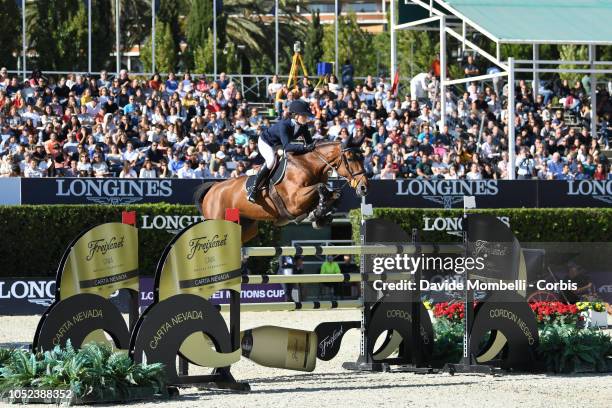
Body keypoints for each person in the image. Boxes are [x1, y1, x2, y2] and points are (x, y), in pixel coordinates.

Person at [246, 99, 315, 202]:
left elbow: (310, 142)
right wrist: (304, 148)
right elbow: (287, 147)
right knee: (271, 161)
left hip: (279, 144)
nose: (306, 118)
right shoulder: (284, 125)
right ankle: (254, 189)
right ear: (295, 115)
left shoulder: (303, 126)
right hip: (266, 142)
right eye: (304, 115)